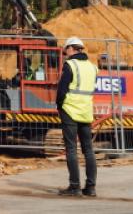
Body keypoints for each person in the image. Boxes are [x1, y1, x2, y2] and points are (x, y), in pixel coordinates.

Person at [56, 35, 97, 198]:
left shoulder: (70, 65)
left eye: (66, 50)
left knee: (71, 149)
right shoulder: (93, 67)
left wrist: (59, 105)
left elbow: (62, 90)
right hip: (86, 111)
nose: (65, 53)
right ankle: (91, 187)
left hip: (70, 111)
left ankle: (74, 187)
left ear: (71, 48)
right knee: (88, 149)